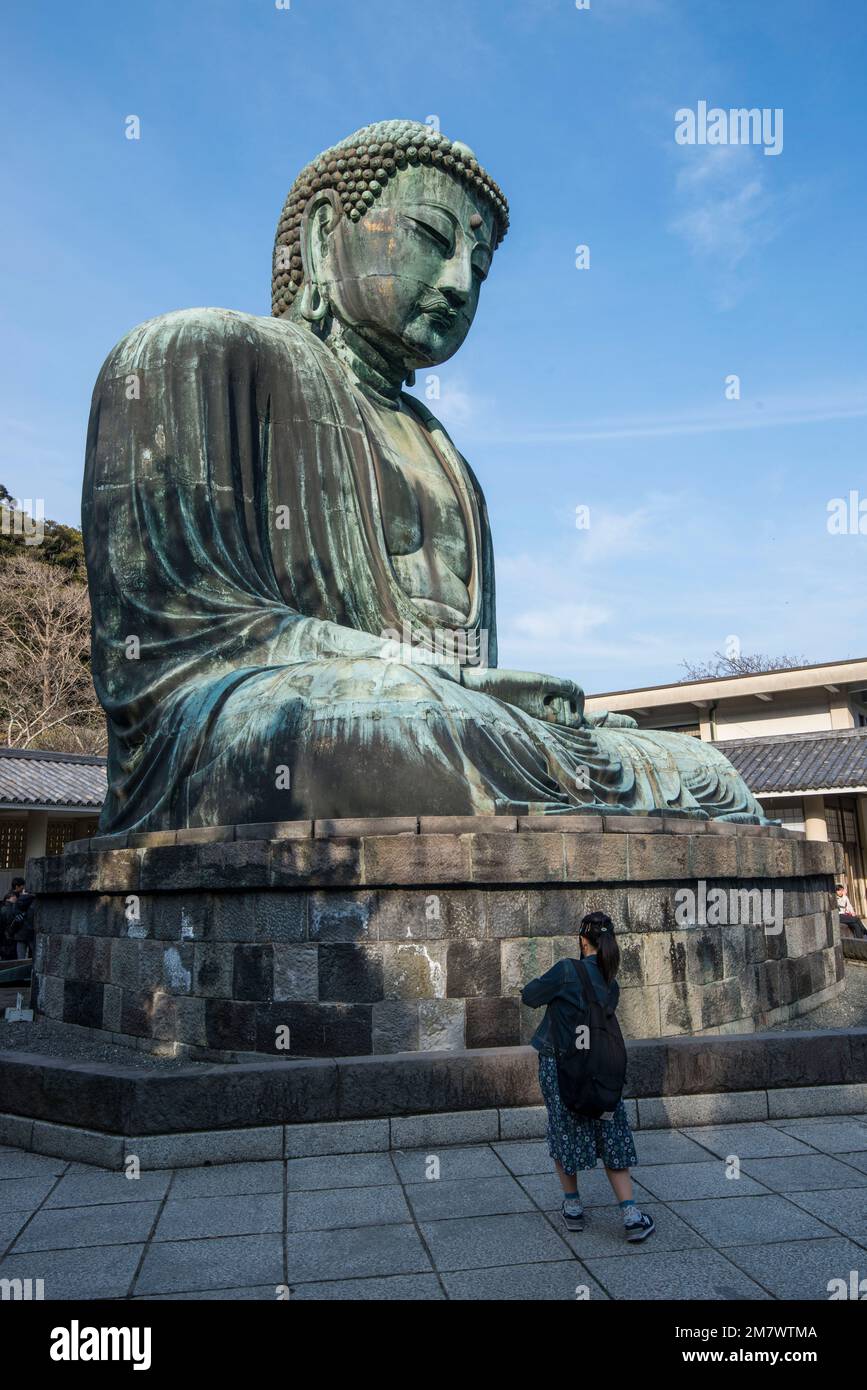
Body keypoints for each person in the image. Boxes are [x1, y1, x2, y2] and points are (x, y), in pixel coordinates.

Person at [521, 911, 655, 1242]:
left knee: (565, 1130)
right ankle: (631, 1215)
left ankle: (573, 1209)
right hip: (600, 1068)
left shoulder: (567, 970)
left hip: (560, 1064)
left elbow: (529, 995)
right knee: (611, 1132)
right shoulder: (612, 983)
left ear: (583, 941)